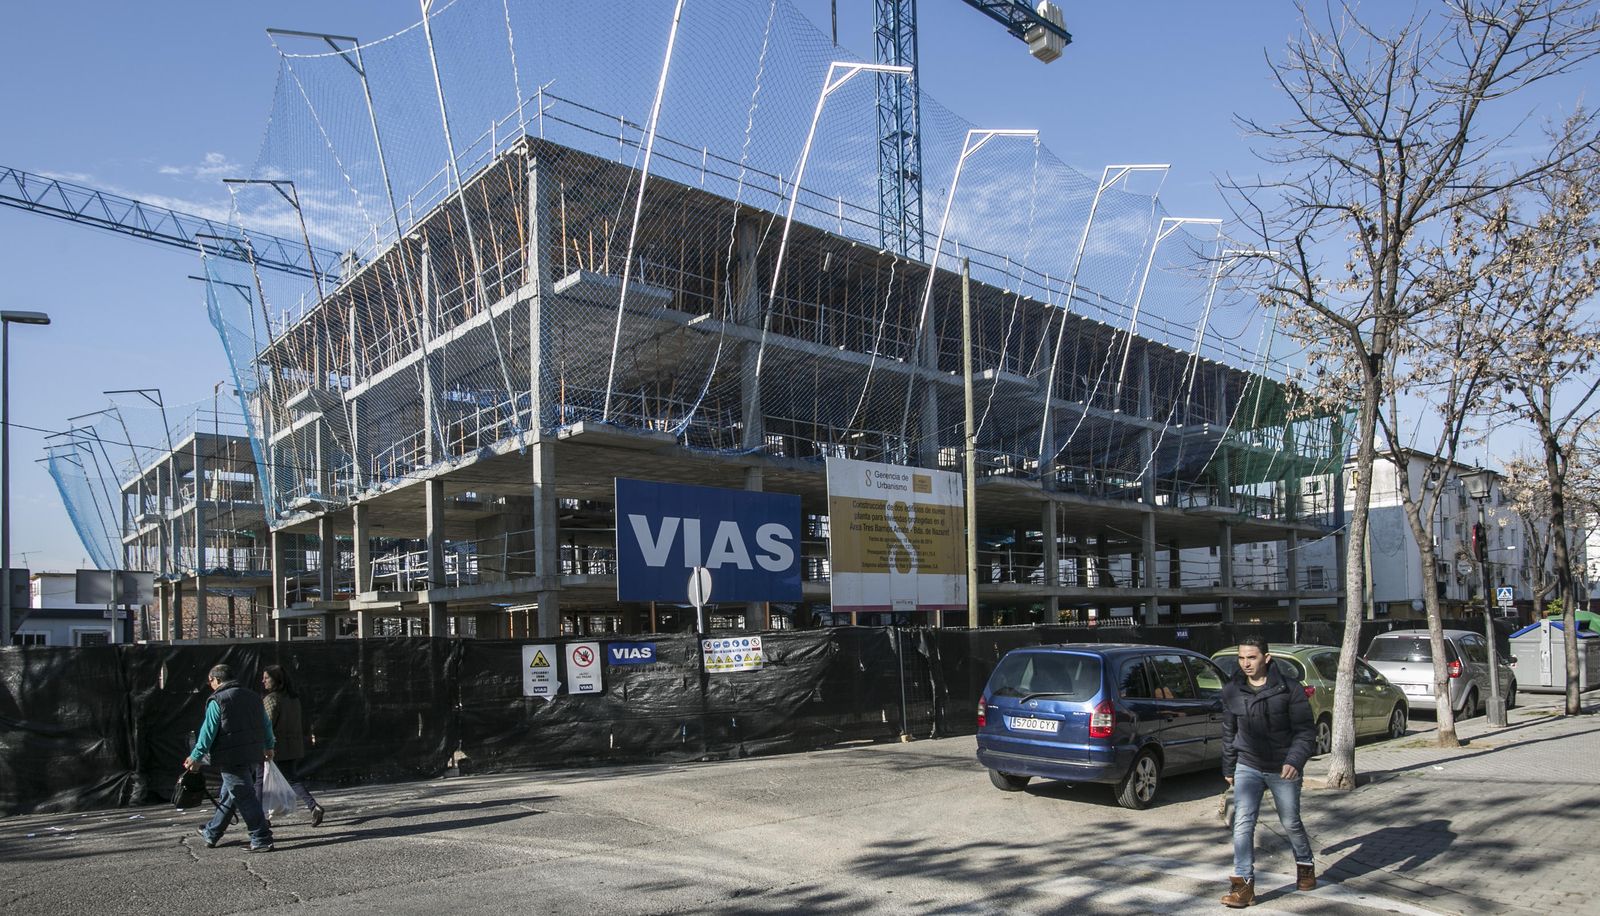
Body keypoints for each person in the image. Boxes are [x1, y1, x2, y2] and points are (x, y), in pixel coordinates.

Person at [1220, 637, 1316, 907]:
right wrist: (1229, 766)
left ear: (1266, 657)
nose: (1246, 663)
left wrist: (1294, 761)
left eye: (1251, 657)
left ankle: (1305, 864)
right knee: (1243, 822)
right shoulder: (1231, 690)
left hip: (1283, 767)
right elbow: (1229, 732)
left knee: (1290, 822)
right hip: (1248, 764)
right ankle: (1243, 885)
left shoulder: (1289, 689)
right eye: (1241, 658)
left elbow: (1306, 732)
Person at [184, 663, 276, 852]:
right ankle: (212, 832)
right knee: (230, 796)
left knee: (244, 797)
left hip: (231, 757)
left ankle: (261, 837)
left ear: (216, 679)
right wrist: (269, 745)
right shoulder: (253, 696)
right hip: (253, 754)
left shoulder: (218, 700)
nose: (210, 685)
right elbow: (265, 723)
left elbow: (208, 732)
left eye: (210, 681)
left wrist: (196, 756)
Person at [259, 665, 326, 826]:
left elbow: (266, 725)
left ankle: (261, 819)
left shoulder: (271, 699)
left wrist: (262, 745)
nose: (263, 681)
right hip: (293, 746)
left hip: (273, 748)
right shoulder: (293, 698)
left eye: (267, 678)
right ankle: (313, 806)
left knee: (260, 781)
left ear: (276, 680)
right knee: (292, 779)